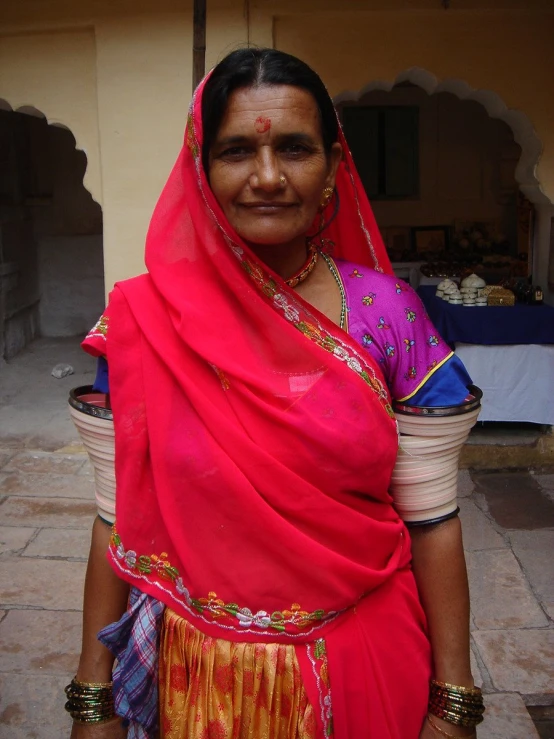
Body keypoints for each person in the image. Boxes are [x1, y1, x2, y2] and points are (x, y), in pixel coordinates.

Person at [67, 48, 484, 739]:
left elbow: (434, 519)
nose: (267, 177)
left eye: (294, 148)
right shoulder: (142, 322)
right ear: (202, 171)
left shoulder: (387, 314)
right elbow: (115, 519)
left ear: (331, 169)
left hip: (365, 666)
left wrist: (454, 699)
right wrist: (92, 697)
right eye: (236, 151)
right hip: (200, 678)